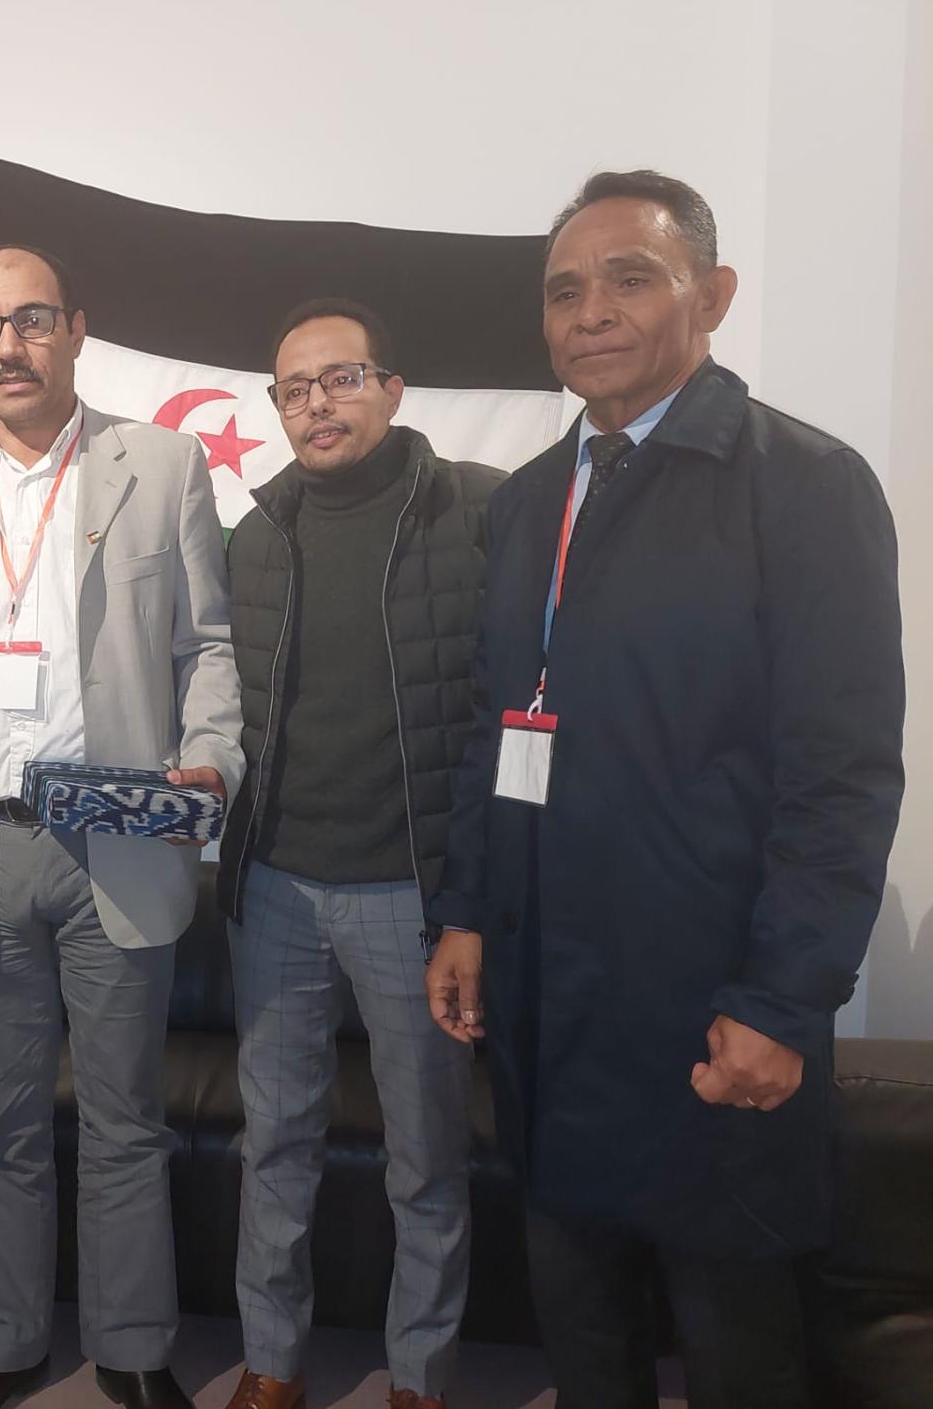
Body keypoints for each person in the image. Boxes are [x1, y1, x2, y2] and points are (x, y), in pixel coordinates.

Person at [425, 170, 906, 1408]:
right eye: (564, 291)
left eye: (630, 279)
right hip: (549, 994)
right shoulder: (527, 502)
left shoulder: (802, 484)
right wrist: (468, 912)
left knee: (735, 1343)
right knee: (581, 1329)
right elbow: (496, 724)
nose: (590, 312)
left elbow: (843, 775)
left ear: (713, 296)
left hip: (707, 1005)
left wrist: (782, 1001)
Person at [0, 245, 244, 1409]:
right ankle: (4, 1339)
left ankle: (133, 1349)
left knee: (128, 1120)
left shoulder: (164, 464)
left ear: (76, 330)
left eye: (32, 320)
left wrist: (213, 757)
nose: (9, 346)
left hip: (116, 835)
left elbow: (209, 644)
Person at [219, 301, 500, 1409]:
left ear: (390, 387)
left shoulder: (476, 512)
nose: (316, 404)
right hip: (274, 890)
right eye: (293, 389)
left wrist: (475, 895)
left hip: (411, 898)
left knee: (426, 1157)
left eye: (340, 379)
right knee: (273, 1147)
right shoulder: (255, 534)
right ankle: (271, 1363)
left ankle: (420, 1376)